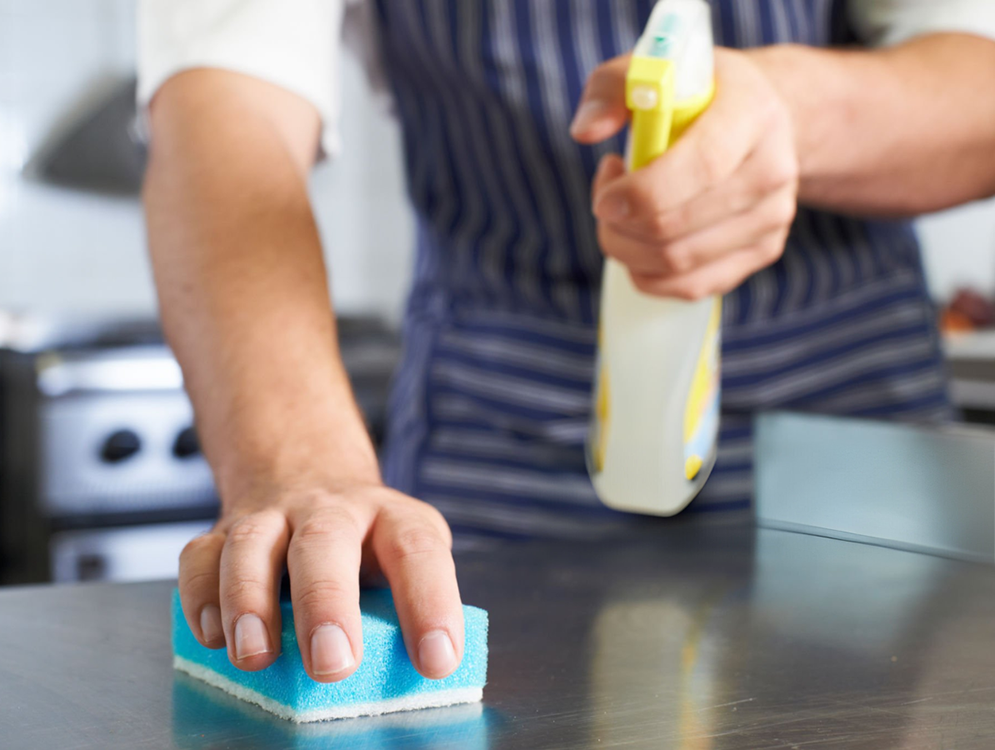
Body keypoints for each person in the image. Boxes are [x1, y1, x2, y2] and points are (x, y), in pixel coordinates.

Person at [138, 0, 995, 684]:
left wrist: (787, 113)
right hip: (499, 442)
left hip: (846, 440)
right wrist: (299, 463)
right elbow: (226, 103)